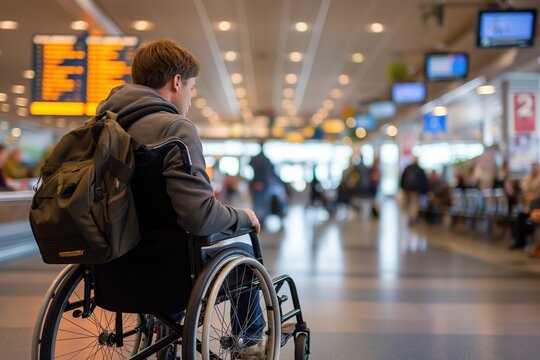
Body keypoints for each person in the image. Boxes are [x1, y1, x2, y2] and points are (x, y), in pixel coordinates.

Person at [94, 39, 265, 357]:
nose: (190, 98)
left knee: (171, 246)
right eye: (191, 88)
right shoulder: (176, 129)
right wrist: (243, 216)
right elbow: (198, 217)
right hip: (167, 276)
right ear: (176, 82)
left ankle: (166, 339)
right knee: (244, 252)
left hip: (111, 271)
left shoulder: (101, 128)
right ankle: (251, 343)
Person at [249, 141, 282, 225]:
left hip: (256, 184)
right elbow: (271, 173)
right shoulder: (267, 159)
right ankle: (263, 221)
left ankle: (256, 221)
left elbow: (251, 168)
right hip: (265, 185)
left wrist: (257, 182)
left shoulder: (255, 158)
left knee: (257, 204)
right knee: (264, 203)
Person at [509, 163, 540, 250]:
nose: (535, 170)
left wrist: (534, 196)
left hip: (537, 203)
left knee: (534, 209)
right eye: (533, 168)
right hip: (531, 204)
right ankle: (520, 242)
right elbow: (524, 188)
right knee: (520, 216)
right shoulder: (529, 178)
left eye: (536, 168)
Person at [400, 157, 430, 226]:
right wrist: (426, 190)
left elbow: (403, 178)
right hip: (415, 190)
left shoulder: (408, 168)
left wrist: (402, 187)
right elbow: (424, 181)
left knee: (408, 203)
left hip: (407, 189)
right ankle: (412, 217)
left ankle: (410, 216)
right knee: (414, 204)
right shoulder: (420, 169)